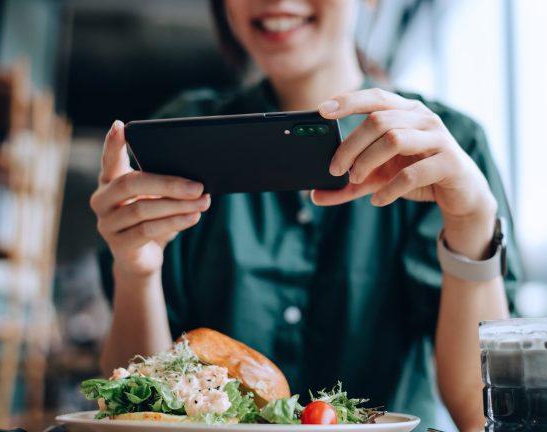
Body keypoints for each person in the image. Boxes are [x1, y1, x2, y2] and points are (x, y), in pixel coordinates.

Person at [90, 0, 521, 430]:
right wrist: (136, 273)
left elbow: (479, 415)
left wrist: (471, 223)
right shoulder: (175, 141)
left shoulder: (445, 149)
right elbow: (135, 407)